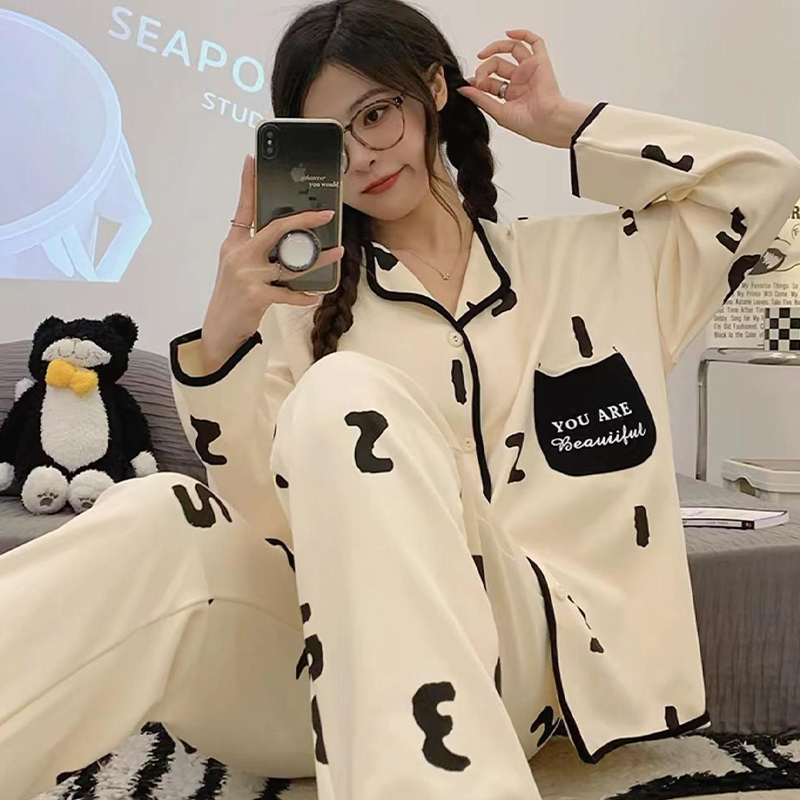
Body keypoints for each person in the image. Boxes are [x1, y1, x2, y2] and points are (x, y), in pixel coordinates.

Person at [2, 1, 800, 799]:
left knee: (344, 390)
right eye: (331, 140)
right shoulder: (298, 316)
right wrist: (223, 340)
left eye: (376, 115)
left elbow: (763, 186)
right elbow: (267, 530)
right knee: (157, 513)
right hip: (316, 685)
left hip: (521, 670)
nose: (361, 157)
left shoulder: (597, 265)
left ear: (432, 90)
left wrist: (562, 122)